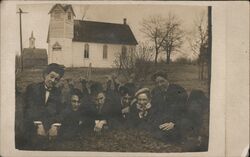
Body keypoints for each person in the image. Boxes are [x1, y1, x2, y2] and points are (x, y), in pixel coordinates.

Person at [23, 63, 65, 148]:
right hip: (31, 126)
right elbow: (28, 110)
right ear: (45, 75)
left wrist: (55, 125)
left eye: (57, 79)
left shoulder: (58, 93)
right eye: (51, 76)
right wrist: (38, 124)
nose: (53, 81)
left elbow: (60, 112)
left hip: (49, 129)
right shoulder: (32, 88)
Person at [150, 71, 188, 144]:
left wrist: (174, 123)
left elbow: (183, 110)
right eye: (157, 83)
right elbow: (155, 109)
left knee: (175, 133)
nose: (160, 84)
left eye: (162, 81)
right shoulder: (155, 91)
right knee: (156, 130)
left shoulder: (178, 90)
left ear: (167, 80)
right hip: (162, 121)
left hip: (176, 120)